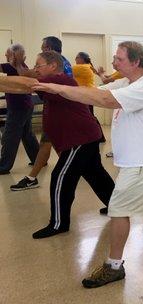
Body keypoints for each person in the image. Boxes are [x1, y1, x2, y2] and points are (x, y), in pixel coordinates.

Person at [32, 41, 143, 288]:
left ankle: (114, 266)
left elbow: (104, 99)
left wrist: (54, 87)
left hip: (141, 163)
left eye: (118, 59)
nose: (113, 63)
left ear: (135, 61)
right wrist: (58, 87)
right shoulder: (127, 82)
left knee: (117, 210)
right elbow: (96, 90)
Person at [0, 50, 115, 239]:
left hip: (80, 140)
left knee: (61, 177)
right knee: (95, 174)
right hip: (86, 136)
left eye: (39, 66)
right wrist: (19, 66)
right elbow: (24, 79)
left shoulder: (60, 81)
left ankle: (59, 223)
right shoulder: (54, 82)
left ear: (53, 66)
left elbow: (26, 85)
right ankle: (115, 206)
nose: (35, 69)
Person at [9, 36, 73, 190]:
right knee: (48, 143)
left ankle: (33, 177)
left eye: (43, 47)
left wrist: (17, 62)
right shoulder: (61, 62)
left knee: (49, 143)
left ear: (49, 49)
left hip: (61, 110)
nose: (37, 67)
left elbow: (26, 76)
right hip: (56, 108)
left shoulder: (57, 65)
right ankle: (33, 177)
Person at [0, 44, 39, 176]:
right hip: (26, 106)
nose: (5, 55)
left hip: (18, 108)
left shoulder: (13, 66)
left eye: (8, 53)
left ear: (15, 55)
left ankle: (4, 166)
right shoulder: (23, 67)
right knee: (26, 134)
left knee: (9, 136)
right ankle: (38, 159)